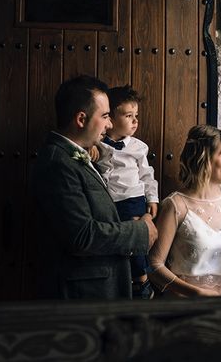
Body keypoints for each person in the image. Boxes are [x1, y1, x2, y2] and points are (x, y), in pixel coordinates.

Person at [31, 75, 158, 300]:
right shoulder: (58, 162)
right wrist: (140, 231)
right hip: (82, 296)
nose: (109, 124)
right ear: (81, 119)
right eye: (105, 116)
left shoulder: (80, 154)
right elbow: (82, 235)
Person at [147, 124, 221, 296]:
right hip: (186, 307)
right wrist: (195, 293)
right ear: (205, 158)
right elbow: (153, 265)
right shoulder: (176, 205)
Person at [92, 85, 160, 299]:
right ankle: (119, 280)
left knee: (138, 240)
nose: (135, 121)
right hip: (108, 202)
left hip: (133, 200)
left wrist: (153, 198)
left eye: (136, 115)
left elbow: (147, 174)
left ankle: (142, 281)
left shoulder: (138, 147)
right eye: (128, 115)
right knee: (116, 243)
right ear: (110, 118)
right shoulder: (97, 144)